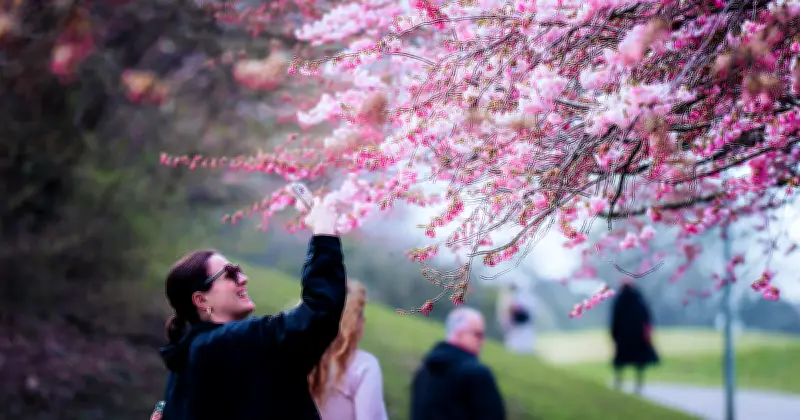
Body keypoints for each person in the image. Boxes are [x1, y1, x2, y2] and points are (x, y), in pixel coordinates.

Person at [158, 196, 347, 420]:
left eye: (239, 270)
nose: (243, 278)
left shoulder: (184, 364)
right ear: (201, 300)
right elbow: (318, 313)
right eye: (229, 274)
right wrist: (324, 236)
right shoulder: (226, 343)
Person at [308, 281, 388, 420]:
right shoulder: (364, 367)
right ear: (350, 322)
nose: (364, 319)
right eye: (360, 314)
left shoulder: (294, 354)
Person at [411, 307, 506, 420]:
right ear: (459, 333)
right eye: (477, 335)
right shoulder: (477, 375)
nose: (482, 342)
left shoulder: (424, 372)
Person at [610, 282, 660, 394]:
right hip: (638, 337)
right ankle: (638, 384)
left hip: (623, 337)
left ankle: (619, 381)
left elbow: (615, 320)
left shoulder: (619, 301)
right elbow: (647, 318)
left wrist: (614, 335)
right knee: (639, 362)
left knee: (621, 361)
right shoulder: (640, 301)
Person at [496, 282, 537, 354]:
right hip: (514, 325)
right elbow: (506, 312)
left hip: (523, 324)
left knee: (523, 342)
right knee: (514, 342)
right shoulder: (508, 297)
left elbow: (527, 312)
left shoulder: (524, 297)